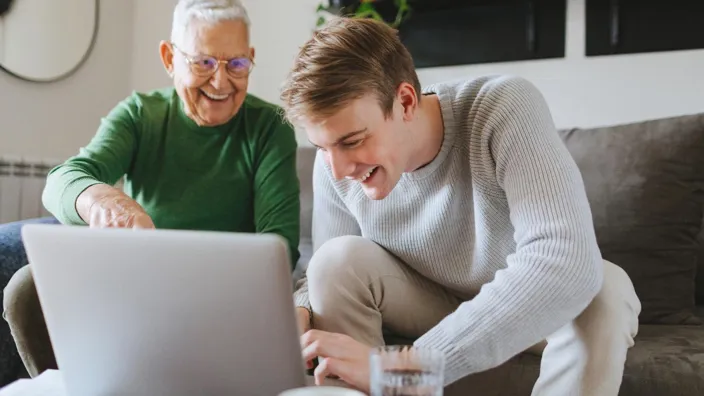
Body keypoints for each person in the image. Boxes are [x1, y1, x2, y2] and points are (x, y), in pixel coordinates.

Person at [280, 17, 641, 395]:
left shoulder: (503, 106)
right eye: (323, 147)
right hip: (424, 300)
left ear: (404, 101)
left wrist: (408, 369)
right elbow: (324, 271)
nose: (337, 170)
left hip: (527, 303)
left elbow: (563, 259)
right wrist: (301, 309)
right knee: (334, 261)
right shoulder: (334, 167)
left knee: (603, 292)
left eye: (352, 141)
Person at [2, 0, 300, 378]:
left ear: (251, 59)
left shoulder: (269, 128)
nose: (222, 82)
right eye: (203, 62)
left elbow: (281, 245)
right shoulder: (140, 114)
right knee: (25, 288)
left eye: (236, 64)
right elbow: (63, 179)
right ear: (169, 58)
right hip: (138, 287)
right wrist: (103, 202)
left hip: (225, 296)